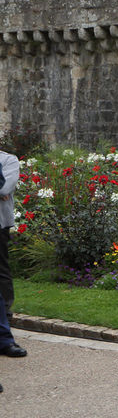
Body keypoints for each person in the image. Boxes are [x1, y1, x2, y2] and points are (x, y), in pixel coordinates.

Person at [0, 150, 25, 360]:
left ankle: (5, 320)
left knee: (1, 271)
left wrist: (2, 191)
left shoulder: (8, 160)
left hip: (0, 224)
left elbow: (5, 187)